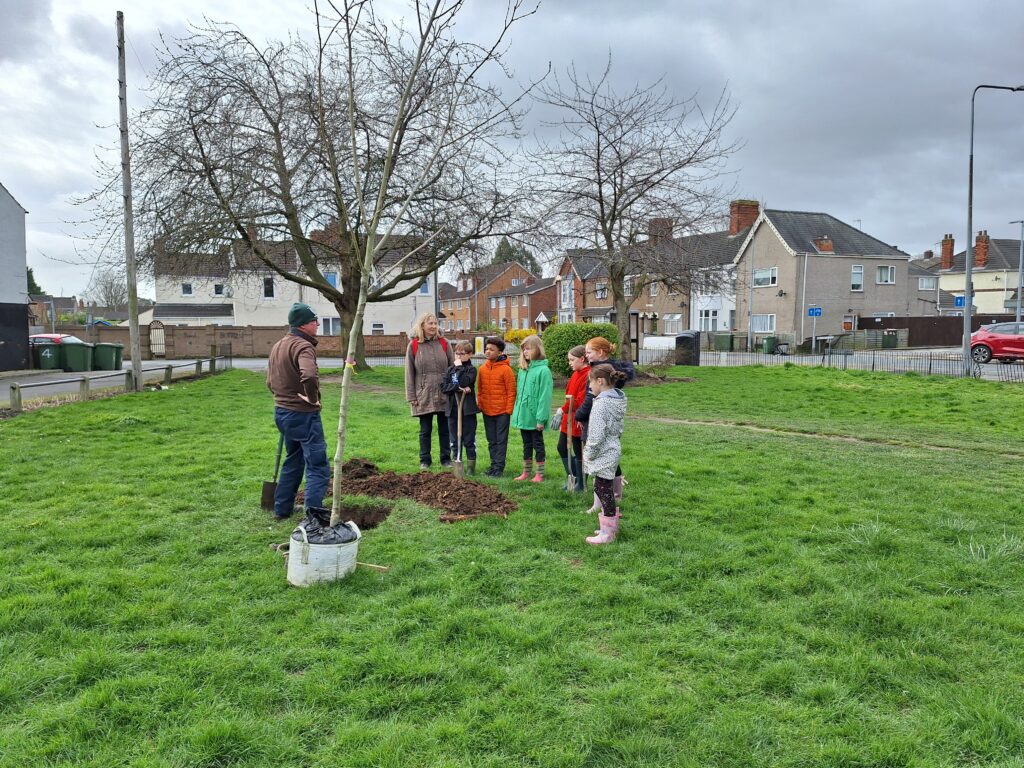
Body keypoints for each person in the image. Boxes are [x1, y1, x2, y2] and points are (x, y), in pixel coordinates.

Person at [266, 302, 330, 521]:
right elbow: (309, 376)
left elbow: (269, 381)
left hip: (282, 413)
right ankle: (313, 516)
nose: (318, 324)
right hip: (303, 415)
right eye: (314, 321)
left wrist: (282, 397)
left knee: (293, 459)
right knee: (317, 465)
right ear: (304, 325)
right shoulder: (303, 346)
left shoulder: (279, 345)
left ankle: (282, 509)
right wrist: (312, 399)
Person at [574, 336, 635, 513]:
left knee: (600, 474)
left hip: (598, 428)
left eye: (589, 352)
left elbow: (589, 397)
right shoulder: (615, 393)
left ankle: (602, 507)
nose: (586, 355)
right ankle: (615, 498)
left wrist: (579, 414)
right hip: (612, 442)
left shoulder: (599, 381)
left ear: (600, 352)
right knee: (608, 469)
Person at [582, 364, 629, 545]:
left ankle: (607, 533)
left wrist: (589, 452)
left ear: (600, 381)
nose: (590, 387)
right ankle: (609, 527)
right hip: (613, 448)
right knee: (603, 488)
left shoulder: (601, 405)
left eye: (590, 383)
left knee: (602, 488)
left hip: (603, 451)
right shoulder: (617, 400)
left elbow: (596, 434)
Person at [405, 312, 453, 470]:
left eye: (435, 323)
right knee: (425, 430)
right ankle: (425, 460)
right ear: (422, 326)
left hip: (444, 392)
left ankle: (446, 459)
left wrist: (455, 389)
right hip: (423, 392)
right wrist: (411, 395)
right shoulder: (414, 345)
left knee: (444, 429)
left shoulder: (444, 343)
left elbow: (453, 368)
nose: (433, 326)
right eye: (430, 323)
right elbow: (409, 372)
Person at [511, 334, 553, 482]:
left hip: (535, 417)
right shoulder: (523, 370)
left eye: (528, 349)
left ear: (537, 349)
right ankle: (526, 472)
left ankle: (539, 474)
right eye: (524, 349)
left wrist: (541, 419)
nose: (525, 352)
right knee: (526, 444)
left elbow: (544, 397)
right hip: (524, 416)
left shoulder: (543, 371)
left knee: (538, 444)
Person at [476, 336, 516, 477]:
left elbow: (512, 392)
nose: (487, 352)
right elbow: (479, 390)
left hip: (502, 412)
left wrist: (508, 410)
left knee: (500, 440)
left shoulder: (506, 370)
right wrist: (480, 404)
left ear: (499, 353)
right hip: (487, 411)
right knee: (491, 440)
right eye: (486, 349)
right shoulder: (482, 369)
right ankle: (493, 465)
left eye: (491, 350)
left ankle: (499, 468)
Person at [555, 345, 590, 491]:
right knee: (562, 447)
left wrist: (561, 410)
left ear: (582, 359)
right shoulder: (575, 373)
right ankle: (573, 478)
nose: (569, 362)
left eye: (572, 359)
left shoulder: (587, 375)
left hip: (577, 419)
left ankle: (581, 484)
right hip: (568, 419)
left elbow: (580, 400)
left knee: (579, 451)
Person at [442, 339, 479, 474]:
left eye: (462, 354)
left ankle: (470, 468)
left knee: (469, 440)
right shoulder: (450, 370)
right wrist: (457, 387)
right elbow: (444, 387)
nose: (458, 356)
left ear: (470, 354)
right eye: (457, 353)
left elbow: (465, 381)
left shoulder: (471, 370)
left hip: (467, 410)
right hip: (452, 409)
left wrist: (459, 368)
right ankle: (456, 462)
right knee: (454, 440)